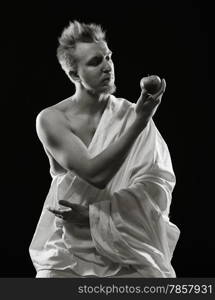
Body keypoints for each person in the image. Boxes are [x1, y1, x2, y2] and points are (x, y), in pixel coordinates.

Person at [29, 20, 180, 278]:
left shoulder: (129, 113)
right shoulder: (52, 119)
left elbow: (156, 183)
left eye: (108, 57)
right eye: (95, 61)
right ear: (74, 74)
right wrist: (139, 122)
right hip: (67, 245)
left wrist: (94, 216)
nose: (107, 66)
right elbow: (95, 175)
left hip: (124, 241)